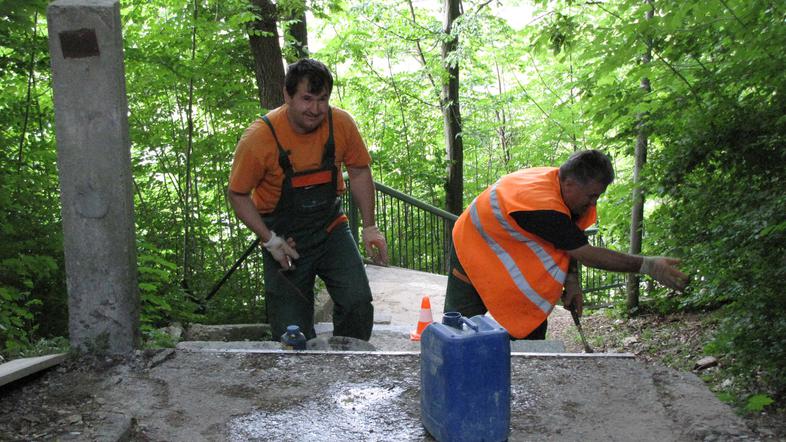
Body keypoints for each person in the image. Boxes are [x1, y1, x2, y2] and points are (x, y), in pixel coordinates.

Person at [445, 149, 689, 340]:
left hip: (506, 247)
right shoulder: (542, 207)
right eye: (591, 195)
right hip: (472, 246)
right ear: (570, 184)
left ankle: (530, 363)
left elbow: (570, 240)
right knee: (459, 329)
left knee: (530, 314)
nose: (593, 204)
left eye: (598, 196)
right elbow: (587, 254)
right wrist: (649, 266)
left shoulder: (561, 185)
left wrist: (572, 282)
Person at [228, 58, 388, 342]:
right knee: (291, 330)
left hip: (331, 229)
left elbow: (360, 171)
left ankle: (349, 362)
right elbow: (237, 194)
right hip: (285, 240)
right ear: (287, 95)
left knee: (357, 302)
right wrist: (270, 240)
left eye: (323, 99)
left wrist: (370, 226)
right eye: (307, 99)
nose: (315, 109)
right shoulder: (259, 138)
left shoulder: (341, 124)